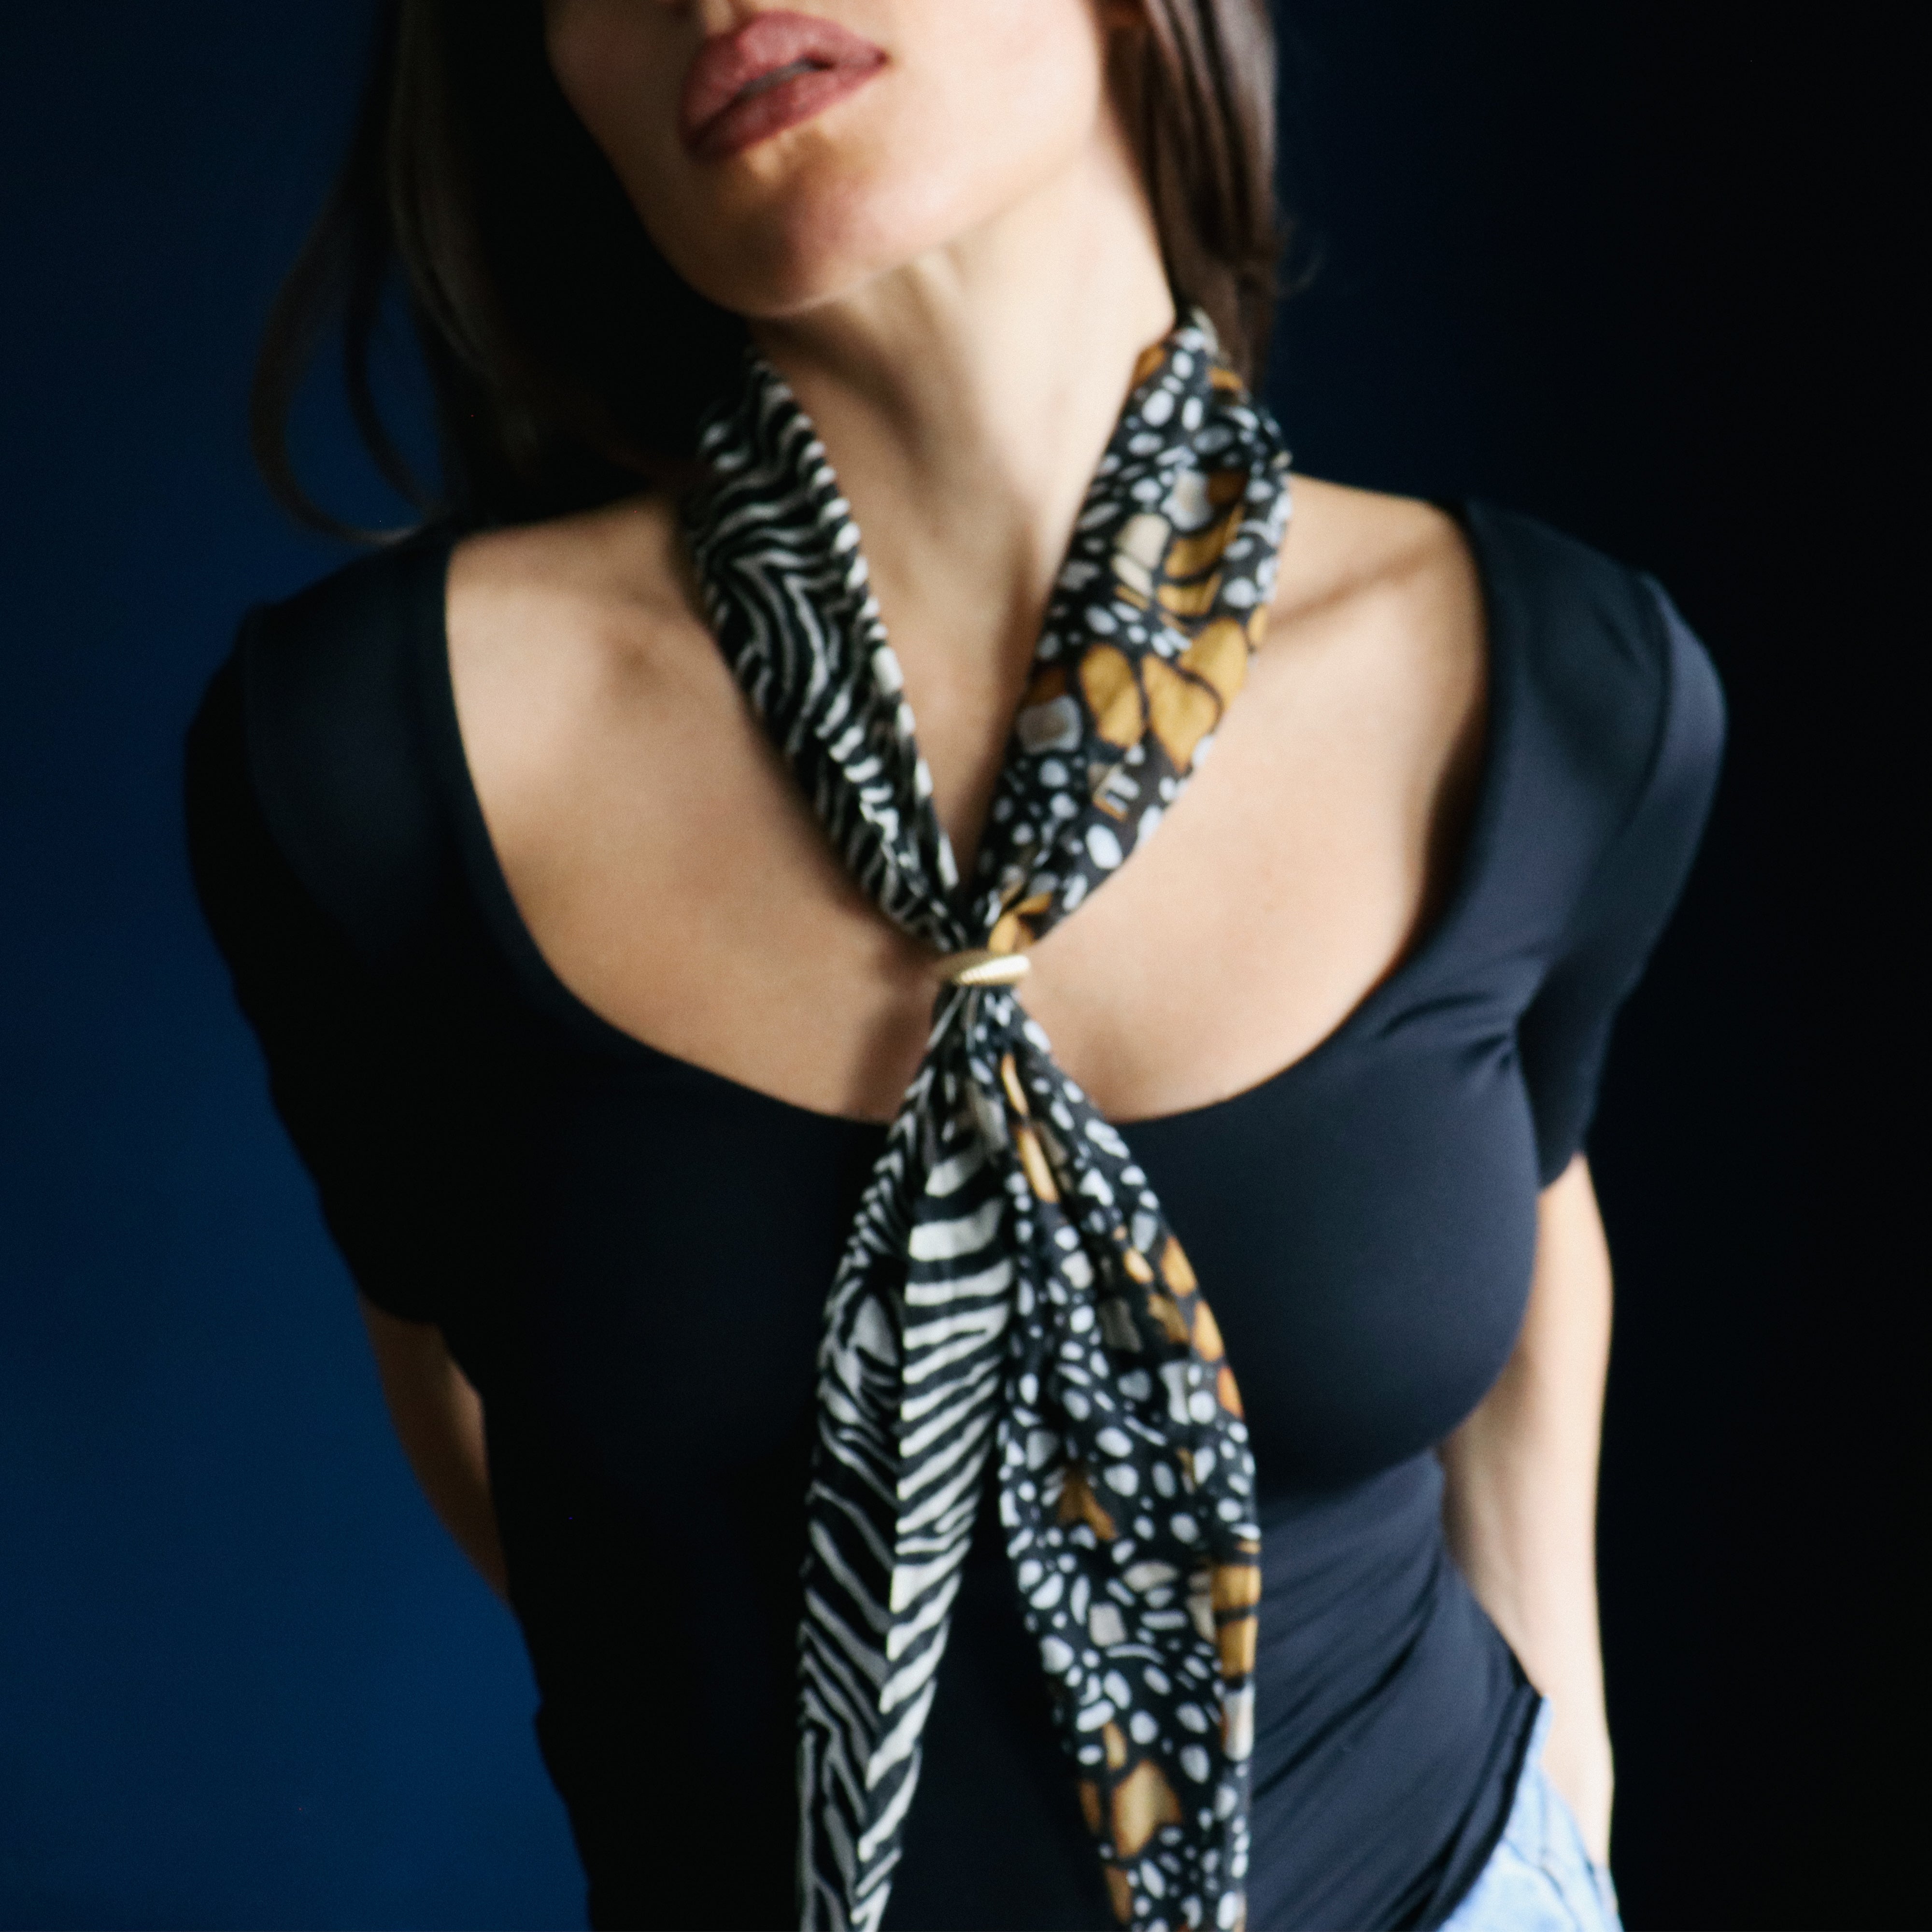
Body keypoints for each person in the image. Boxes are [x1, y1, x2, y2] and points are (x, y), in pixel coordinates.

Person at [184, 1, 1723, 1927]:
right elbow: (467, 1392)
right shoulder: (369, 764)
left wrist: (1571, 1797)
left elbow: (1524, 1206)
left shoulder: (1557, 690)